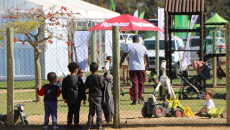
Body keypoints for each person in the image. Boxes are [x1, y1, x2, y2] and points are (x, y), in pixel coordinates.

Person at [120, 35, 150, 105]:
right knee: (141, 83)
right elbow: (147, 57)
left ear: (132, 40)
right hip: (141, 67)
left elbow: (124, 55)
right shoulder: (143, 47)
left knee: (134, 83)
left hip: (133, 68)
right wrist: (148, 64)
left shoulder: (129, 46)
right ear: (138, 40)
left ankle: (135, 100)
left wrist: (120, 63)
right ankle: (140, 98)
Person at [62, 62, 86, 129]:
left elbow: (63, 90)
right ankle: (76, 124)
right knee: (76, 111)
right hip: (77, 98)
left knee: (70, 111)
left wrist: (64, 98)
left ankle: (69, 124)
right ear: (76, 71)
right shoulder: (79, 79)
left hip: (69, 98)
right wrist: (84, 98)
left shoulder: (65, 79)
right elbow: (81, 90)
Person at [85, 62, 104, 130]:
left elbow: (86, 86)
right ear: (97, 70)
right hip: (98, 96)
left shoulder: (88, 77)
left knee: (91, 111)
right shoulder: (99, 77)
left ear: (90, 70)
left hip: (91, 96)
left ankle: (89, 125)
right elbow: (102, 86)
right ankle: (99, 125)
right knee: (99, 111)